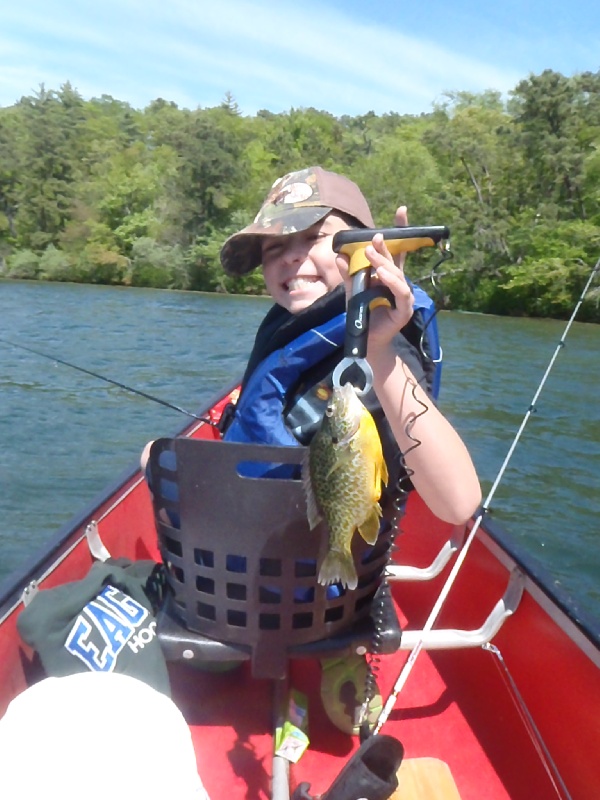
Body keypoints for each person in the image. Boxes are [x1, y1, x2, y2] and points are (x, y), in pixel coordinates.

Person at [214, 166, 482, 734]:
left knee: (153, 461)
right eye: (272, 251)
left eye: (310, 238)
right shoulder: (295, 329)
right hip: (290, 586)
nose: (288, 259)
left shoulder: (382, 348)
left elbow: (459, 504)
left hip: (243, 584)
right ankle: (334, 650)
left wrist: (381, 351)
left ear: (364, 247)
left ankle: (322, 649)